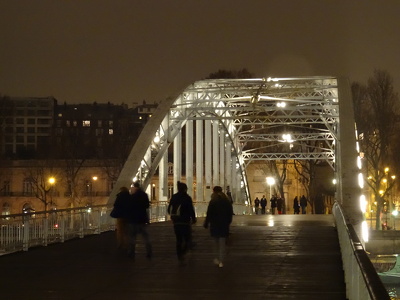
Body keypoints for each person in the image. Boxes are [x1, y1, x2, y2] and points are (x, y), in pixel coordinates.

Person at [168, 181, 197, 265]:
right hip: (185, 221)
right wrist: (193, 218)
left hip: (176, 221)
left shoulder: (174, 197)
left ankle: (179, 255)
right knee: (187, 239)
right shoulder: (187, 198)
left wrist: (173, 216)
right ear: (185, 189)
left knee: (179, 239)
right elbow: (191, 209)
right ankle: (183, 252)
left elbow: (169, 208)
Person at [204, 186, 233, 268]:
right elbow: (230, 213)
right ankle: (221, 260)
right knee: (222, 243)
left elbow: (209, 213)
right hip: (223, 224)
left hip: (215, 224)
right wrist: (228, 222)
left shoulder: (213, 201)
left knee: (215, 242)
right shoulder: (226, 201)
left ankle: (217, 258)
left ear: (213, 191)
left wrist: (206, 222)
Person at [126, 181, 152, 259]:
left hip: (133, 219)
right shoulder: (144, 195)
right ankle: (149, 251)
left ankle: (131, 253)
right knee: (145, 237)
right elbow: (147, 205)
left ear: (135, 187)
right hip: (142, 219)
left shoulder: (132, 197)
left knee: (132, 237)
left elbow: (129, 208)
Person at [110, 186, 130, 250]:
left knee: (120, 231)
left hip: (120, 216)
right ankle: (127, 244)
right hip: (127, 216)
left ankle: (120, 244)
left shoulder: (119, 196)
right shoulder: (130, 197)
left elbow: (115, 205)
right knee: (126, 231)